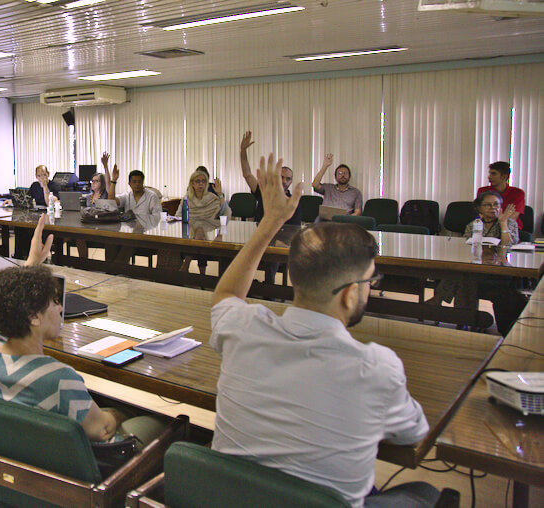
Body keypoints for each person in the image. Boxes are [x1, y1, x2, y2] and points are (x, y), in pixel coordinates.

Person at [210, 152, 438, 508]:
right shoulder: (377, 367)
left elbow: (226, 293)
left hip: (236, 497)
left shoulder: (242, 329)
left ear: (292, 277)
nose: (371, 287)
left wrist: (270, 223)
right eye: (369, 281)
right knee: (425, 494)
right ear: (349, 295)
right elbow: (415, 434)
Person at [0, 215, 164, 447]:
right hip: (86, 469)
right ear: (33, 317)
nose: (61, 307)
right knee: (160, 424)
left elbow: (7, 312)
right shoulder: (59, 379)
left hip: (18, 454)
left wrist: (32, 263)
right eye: (53, 302)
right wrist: (120, 412)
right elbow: (102, 429)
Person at [430, 191, 524, 335]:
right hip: (476, 267)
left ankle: (443, 302)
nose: (493, 208)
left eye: (496, 205)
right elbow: (466, 245)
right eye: (488, 205)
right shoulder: (474, 224)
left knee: (464, 277)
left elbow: (509, 245)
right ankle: (466, 320)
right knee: (464, 276)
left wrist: (503, 223)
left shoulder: (509, 223)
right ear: (479, 208)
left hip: (500, 272)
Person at [240, 131, 301, 225]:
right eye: (281, 177)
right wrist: (243, 151)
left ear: (291, 181)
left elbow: (294, 229)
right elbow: (247, 175)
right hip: (259, 235)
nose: (284, 181)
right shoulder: (264, 191)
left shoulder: (292, 202)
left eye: (288, 179)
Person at [477, 161, 525, 231]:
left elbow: (513, 217)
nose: (489, 176)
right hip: (488, 227)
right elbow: (482, 213)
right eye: (489, 173)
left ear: (504, 177)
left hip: (510, 228)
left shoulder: (518, 193)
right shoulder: (483, 191)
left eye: (493, 174)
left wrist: (501, 224)